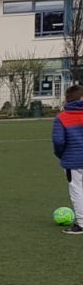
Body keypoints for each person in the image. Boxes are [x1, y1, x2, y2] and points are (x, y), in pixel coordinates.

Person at [53, 84, 83, 235]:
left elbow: (58, 141)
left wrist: (61, 154)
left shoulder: (62, 117)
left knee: (77, 190)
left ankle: (81, 223)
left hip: (73, 161)